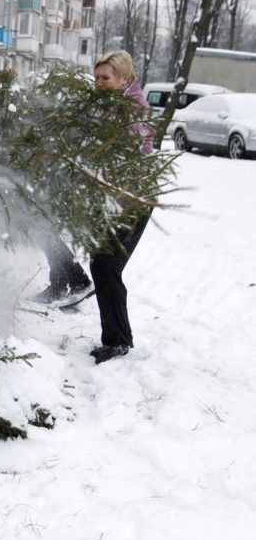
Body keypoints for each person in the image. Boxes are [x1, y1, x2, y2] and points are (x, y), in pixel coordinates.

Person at [88, 50, 154, 365]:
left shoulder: (133, 110)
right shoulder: (107, 106)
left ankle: (118, 342)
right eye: (96, 77)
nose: (99, 83)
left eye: (106, 78)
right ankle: (116, 338)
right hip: (113, 200)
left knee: (106, 265)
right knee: (102, 265)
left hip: (133, 202)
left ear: (124, 79)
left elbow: (132, 152)